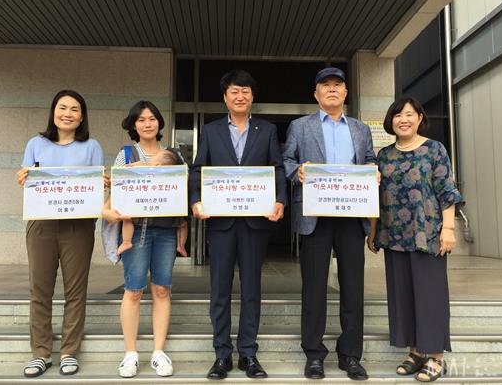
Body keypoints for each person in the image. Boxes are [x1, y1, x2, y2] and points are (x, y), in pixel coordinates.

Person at [189, 70, 287, 380]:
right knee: (219, 290)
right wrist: (196, 201)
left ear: (252, 96)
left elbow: (277, 168)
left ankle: (248, 354)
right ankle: (222, 355)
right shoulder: (211, 130)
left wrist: (280, 200)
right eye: (234, 91)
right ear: (225, 97)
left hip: (255, 222)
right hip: (221, 223)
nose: (240, 96)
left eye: (245, 91)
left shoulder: (266, 130)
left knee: (251, 290)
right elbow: (198, 170)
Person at [282, 67, 375, 381]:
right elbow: (286, 160)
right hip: (315, 216)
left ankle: (350, 355)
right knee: (314, 288)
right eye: (326, 85)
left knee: (353, 288)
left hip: (351, 215)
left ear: (346, 92)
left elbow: (370, 159)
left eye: (338, 85)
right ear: (316, 94)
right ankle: (314, 354)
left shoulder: (360, 128)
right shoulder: (299, 126)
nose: (332, 89)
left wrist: (373, 170)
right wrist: (297, 171)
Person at [366, 98, 462, 382]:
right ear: (390, 121)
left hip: (427, 234)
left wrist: (448, 229)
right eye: (398, 115)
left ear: (420, 118)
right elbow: (376, 197)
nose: (403, 120)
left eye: (409, 114)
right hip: (393, 235)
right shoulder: (384, 155)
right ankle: (416, 351)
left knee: (430, 296)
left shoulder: (434, 149)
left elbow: (447, 190)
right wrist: (373, 231)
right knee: (403, 295)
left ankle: (436, 356)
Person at [16, 90, 104, 378]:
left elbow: (96, 184)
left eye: (74, 109)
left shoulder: (91, 146)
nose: (68, 113)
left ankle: (68, 352)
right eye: (62, 107)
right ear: (53, 111)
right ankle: (40, 353)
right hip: (42, 223)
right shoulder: (35, 144)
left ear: (82, 116)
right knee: (39, 289)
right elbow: (28, 179)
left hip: (78, 225)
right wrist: (23, 177)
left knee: (76, 290)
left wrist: (102, 182)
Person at [102, 101, 188, 378]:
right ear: (133, 125)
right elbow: (117, 189)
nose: (147, 123)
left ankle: (158, 352)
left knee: (162, 289)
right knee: (134, 289)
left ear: (160, 122)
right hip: (136, 229)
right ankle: (130, 353)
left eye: (152, 118)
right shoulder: (126, 154)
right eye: (141, 120)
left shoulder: (174, 154)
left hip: (166, 230)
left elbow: (183, 186)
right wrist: (107, 209)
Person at [115, 150, 186, 256]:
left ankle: (126, 241)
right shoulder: (167, 175)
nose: (151, 156)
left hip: (147, 209)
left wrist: (135, 167)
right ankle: (181, 245)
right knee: (183, 224)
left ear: (158, 165)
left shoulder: (144, 168)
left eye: (155, 155)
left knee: (127, 219)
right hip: (157, 210)